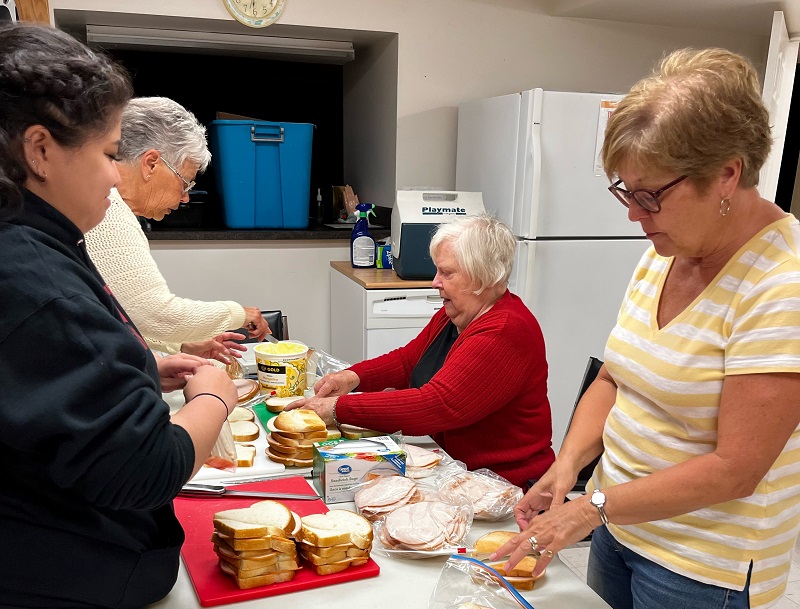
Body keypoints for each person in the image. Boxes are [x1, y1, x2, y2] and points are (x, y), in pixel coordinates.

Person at [491, 48, 800, 609]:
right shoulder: (665, 252)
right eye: (625, 191)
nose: (633, 213)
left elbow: (737, 469)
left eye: (650, 194)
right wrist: (568, 468)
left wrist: (593, 507)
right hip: (620, 529)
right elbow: (614, 379)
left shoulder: (783, 284)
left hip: (702, 564)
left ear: (727, 174)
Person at [0, 23, 238, 607]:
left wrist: (137, 367)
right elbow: (147, 466)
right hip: (68, 573)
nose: (115, 173)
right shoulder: (32, 275)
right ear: (40, 149)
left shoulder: (33, 242)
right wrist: (215, 397)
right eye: (108, 153)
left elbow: (41, 382)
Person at [287, 214, 555, 487]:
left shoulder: (504, 331)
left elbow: (436, 405)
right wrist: (351, 377)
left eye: (447, 273)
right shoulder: (458, 314)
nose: (434, 281)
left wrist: (337, 408)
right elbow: (407, 362)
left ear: (483, 276)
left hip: (508, 488)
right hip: (457, 471)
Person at [84, 96, 271, 360]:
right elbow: (155, 314)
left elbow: (120, 313)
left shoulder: (101, 201)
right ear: (151, 163)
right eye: (186, 183)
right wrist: (241, 313)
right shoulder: (108, 207)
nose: (185, 198)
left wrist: (180, 346)